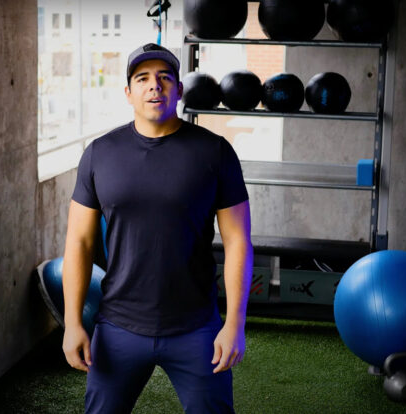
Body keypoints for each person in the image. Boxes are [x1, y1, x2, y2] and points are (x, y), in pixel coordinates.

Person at [62, 42, 253, 414]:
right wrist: (72, 323)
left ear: (179, 90)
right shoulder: (99, 154)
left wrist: (235, 323)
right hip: (118, 326)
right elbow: (79, 242)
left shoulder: (215, 152)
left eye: (165, 78)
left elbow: (238, 241)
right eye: (143, 78)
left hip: (196, 327)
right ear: (128, 92)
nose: (154, 85)